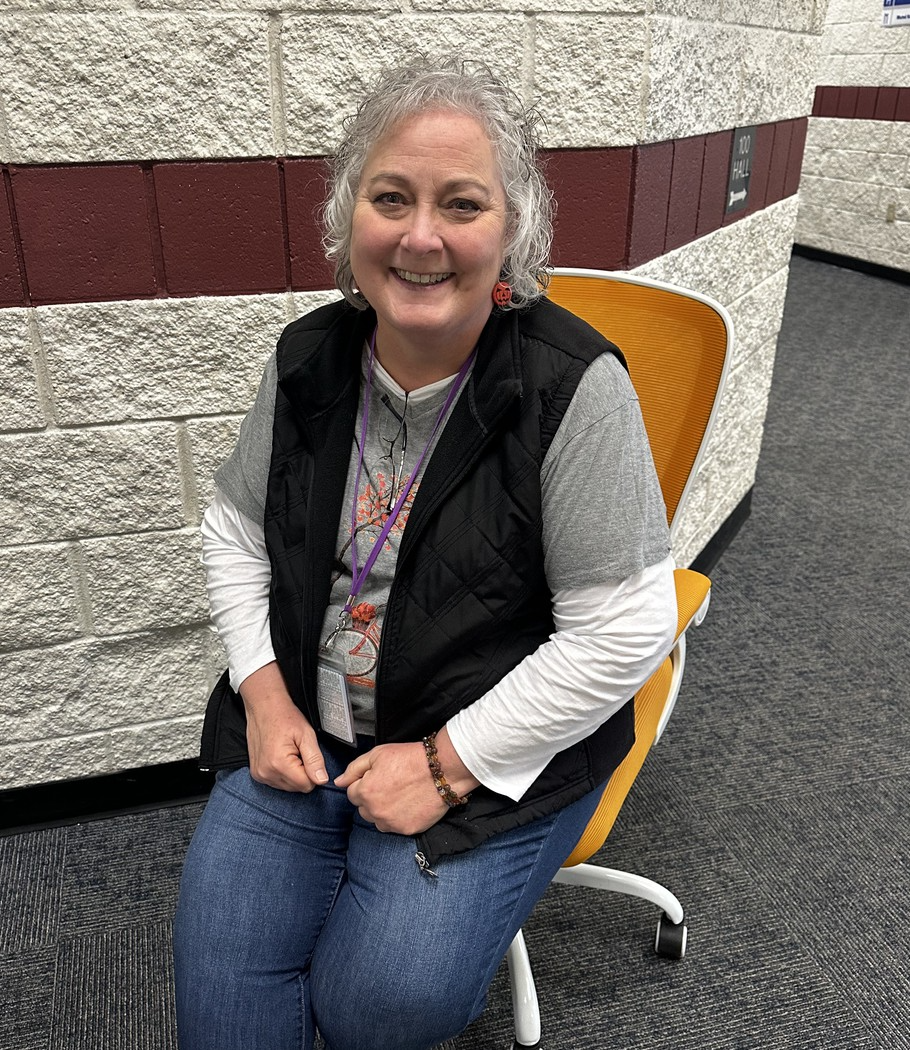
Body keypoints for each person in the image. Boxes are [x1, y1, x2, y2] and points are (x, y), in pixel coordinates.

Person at [173, 57, 677, 1050]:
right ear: (348, 217)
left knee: (383, 1001)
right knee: (223, 1000)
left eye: (462, 203)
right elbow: (234, 528)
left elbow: (626, 629)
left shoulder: (572, 389)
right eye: (390, 197)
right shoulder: (308, 360)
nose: (420, 236)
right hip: (303, 736)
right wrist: (265, 693)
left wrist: (447, 768)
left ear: (513, 234)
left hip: (482, 756)